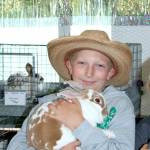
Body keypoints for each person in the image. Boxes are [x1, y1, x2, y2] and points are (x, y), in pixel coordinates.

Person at [7, 30, 135, 150]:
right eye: (82, 63)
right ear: (70, 67)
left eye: (99, 65)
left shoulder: (119, 105)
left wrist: (79, 124)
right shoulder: (50, 103)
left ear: (110, 73)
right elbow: (16, 145)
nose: (89, 73)